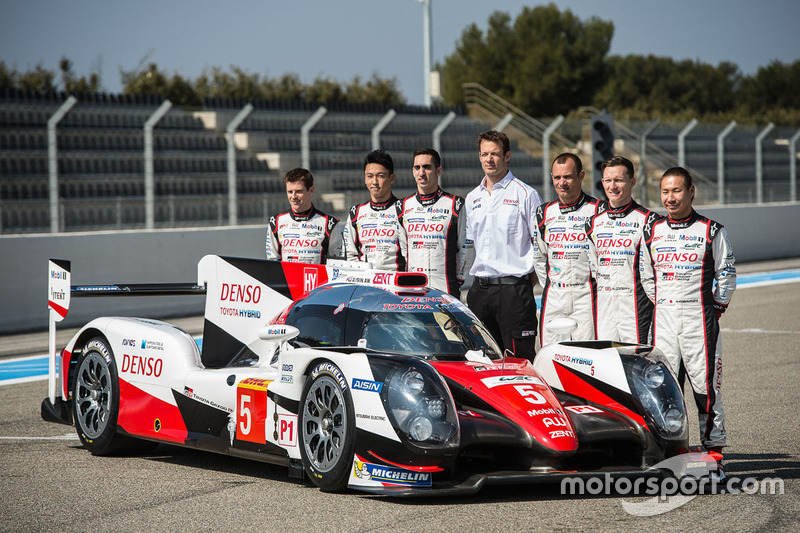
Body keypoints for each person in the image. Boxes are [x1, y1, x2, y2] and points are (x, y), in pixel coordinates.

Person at [641, 166, 736, 476]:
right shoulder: (652, 231)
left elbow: (726, 272)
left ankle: (714, 452)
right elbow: (645, 274)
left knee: (705, 388)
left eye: (677, 191)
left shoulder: (711, 230)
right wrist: (662, 303)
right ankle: (673, 449)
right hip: (665, 319)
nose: (670, 197)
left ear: (691, 191)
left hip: (699, 321)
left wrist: (716, 308)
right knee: (664, 389)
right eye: (665, 191)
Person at [464, 130, 542, 360]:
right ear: (479, 156)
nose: (489, 159)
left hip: (514, 291)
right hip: (480, 292)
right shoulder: (472, 198)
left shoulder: (526, 194)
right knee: (482, 360)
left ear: (507, 156)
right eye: (484, 154)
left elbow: (540, 247)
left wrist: (522, 285)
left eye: (495, 154)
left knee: (518, 359)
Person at [586, 156, 661, 343]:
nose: (613, 186)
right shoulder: (592, 223)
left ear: (632, 182)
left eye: (619, 180)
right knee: (608, 364)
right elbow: (594, 269)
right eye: (608, 181)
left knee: (639, 365)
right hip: (605, 309)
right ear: (602, 183)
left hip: (636, 310)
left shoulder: (649, 221)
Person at [534, 153, 602, 346]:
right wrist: (552, 282)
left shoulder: (598, 210)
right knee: (550, 353)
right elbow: (539, 257)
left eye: (568, 177)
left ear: (581, 176)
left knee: (588, 354)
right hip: (554, 294)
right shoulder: (543, 212)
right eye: (557, 177)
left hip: (586, 294)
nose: (562, 182)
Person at [396, 148, 466, 296]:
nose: (421, 172)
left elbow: (465, 248)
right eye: (417, 167)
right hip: (413, 288)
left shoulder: (456, 205)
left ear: (438, 170)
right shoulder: (402, 206)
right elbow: (404, 249)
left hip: (446, 288)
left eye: (427, 167)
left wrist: (458, 280)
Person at [343, 150, 405, 270]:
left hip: (396, 283)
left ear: (392, 178)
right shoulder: (355, 213)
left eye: (380, 176)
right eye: (370, 176)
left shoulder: (404, 210)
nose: (375, 182)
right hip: (366, 284)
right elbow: (350, 255)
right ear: (365, 178)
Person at [266, 167, 340, 263]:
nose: (293, 196)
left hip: (318, 278)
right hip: (286, 278)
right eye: (290, 192)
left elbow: (337, 263)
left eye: (298, 191)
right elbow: (272, 262)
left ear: (311, 190)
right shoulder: (275, 222)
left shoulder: (329, 224)